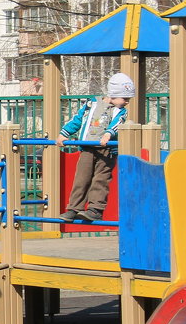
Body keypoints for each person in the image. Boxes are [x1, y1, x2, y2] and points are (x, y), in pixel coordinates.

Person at [57, 72, 133, 223]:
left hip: (107, 150)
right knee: (81, 178)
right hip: (87, 146)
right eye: (125, 98)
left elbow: (117, 124)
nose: (126, 102)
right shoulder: (91, 104)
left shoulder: (120, 111)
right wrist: (64, 133)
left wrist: (108, 134)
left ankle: (95, 209)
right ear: (113, 94)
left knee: (101, 179)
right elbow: (78, 119)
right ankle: (74, 208)